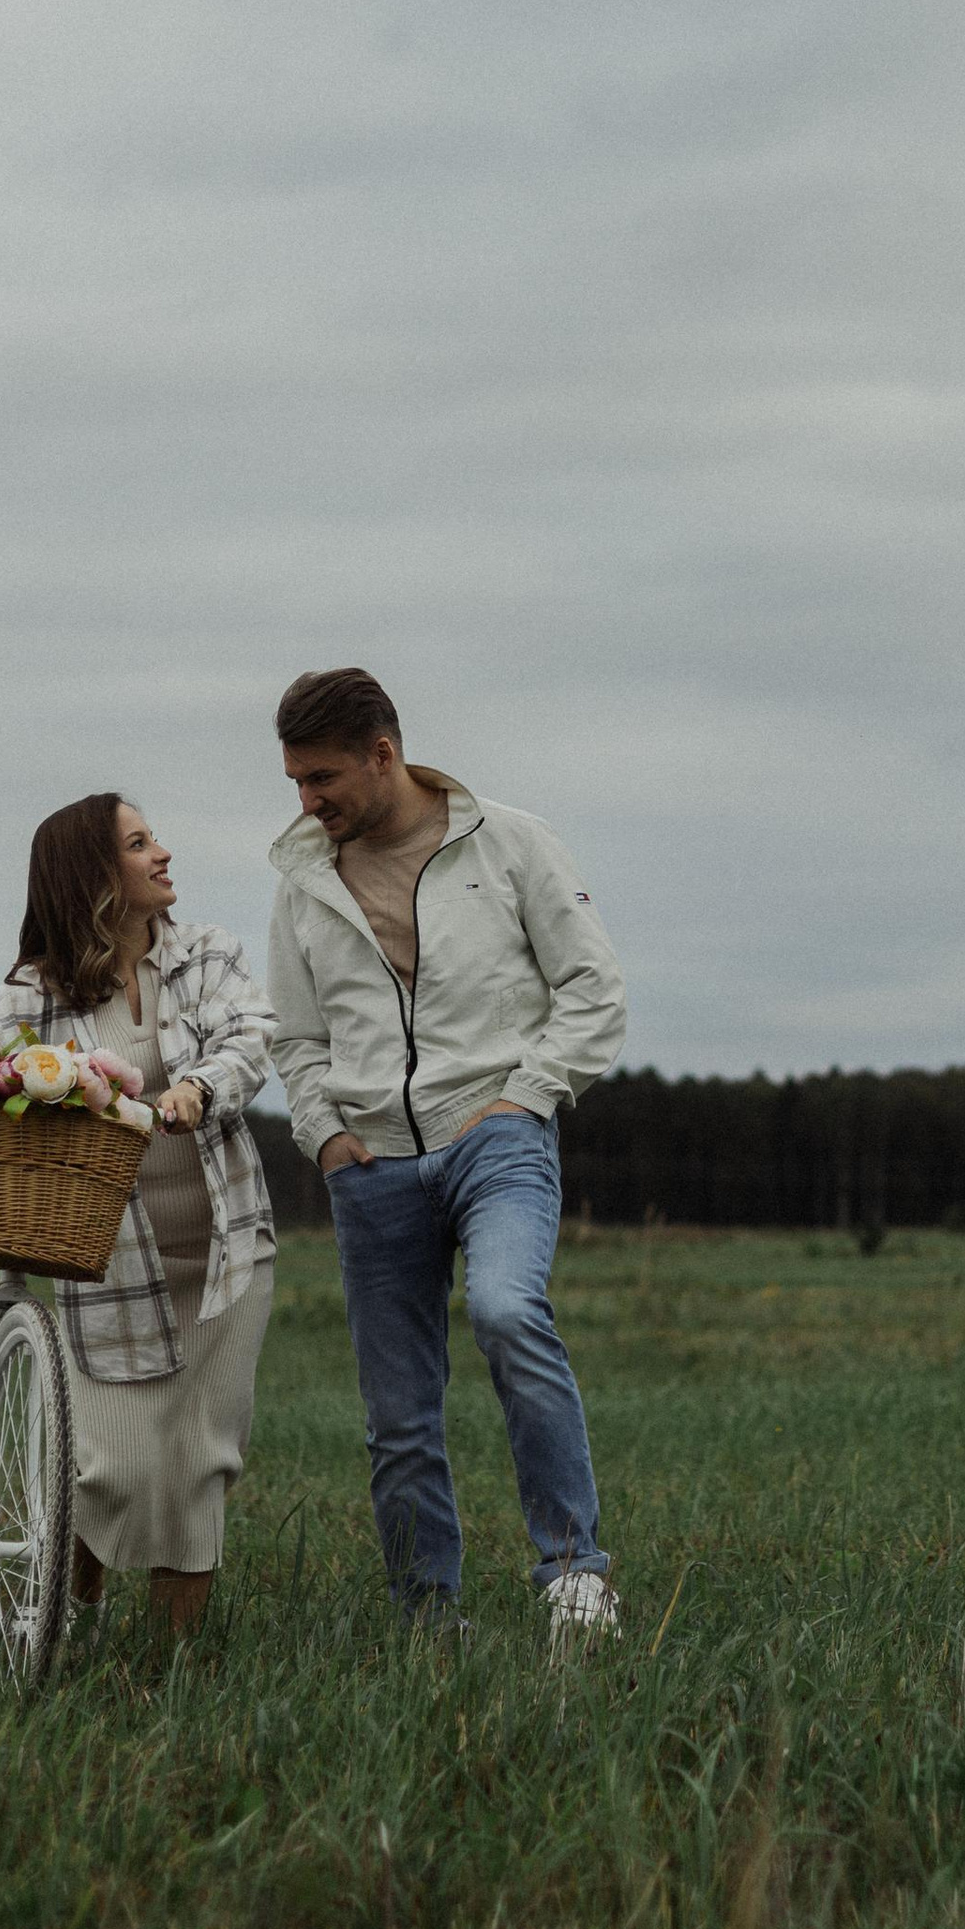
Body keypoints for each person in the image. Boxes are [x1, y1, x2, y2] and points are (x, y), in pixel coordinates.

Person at [0, 794, 276, 1642]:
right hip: (108, 1252)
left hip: (226, 1251)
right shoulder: (41, 991)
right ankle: (62, 1625)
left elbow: (250, 1038)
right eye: (140, 845)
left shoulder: (209, 956)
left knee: (199, 1462)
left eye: (154, 839)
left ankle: (174, 1668)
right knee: (109, 1465)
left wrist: (196, 1090)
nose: (164, 855)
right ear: (97, 879)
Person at [268, 666, 627, 1640]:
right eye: (296, 781)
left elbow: (593, 986)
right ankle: (427, 1619)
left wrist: (526, 1096)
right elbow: (296, 1039)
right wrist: (326, 1136)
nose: (308, 801)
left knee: (509, 1312)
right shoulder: (302, 882)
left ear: (384, 754)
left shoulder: (508, 843)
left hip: (495, 1132)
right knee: (398, 1415)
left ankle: (575, 1580)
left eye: (323, 778)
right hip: (371, 1163)